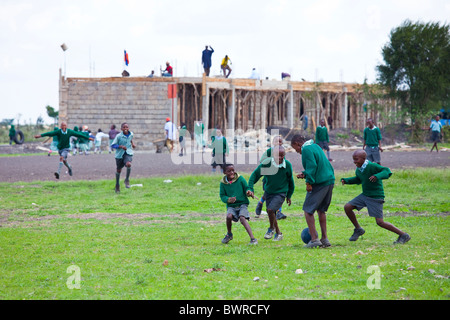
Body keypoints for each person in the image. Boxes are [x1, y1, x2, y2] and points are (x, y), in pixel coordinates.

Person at [341, 150, 411, 244]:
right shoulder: (359, 169)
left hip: (375, 197)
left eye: (356, 159)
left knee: (380, 222)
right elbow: (359, 179)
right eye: (353, 159)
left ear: (363, 159)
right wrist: (346, 181)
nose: (354, 162)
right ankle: (358, 229)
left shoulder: (372, 166)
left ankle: (403, 235)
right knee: (348, 207)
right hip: (365, 195)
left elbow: (387, 171)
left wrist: (377, 176)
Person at [290, 134, 335, 248]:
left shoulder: (306, 149)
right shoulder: (315, 146)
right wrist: (304, 174)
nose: (298, 152)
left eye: (296, 149)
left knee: (308, 210)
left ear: (298, 144)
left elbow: (312, 166)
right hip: (329, 180)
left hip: (320, 183)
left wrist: (308, 182)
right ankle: (324, 239)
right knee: (321, 210)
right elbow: (318, 164)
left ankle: (314, 240)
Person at [246, 146, 295, 242]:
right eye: (277, 156)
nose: (280, 158)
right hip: (268, 192)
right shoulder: (267, 164)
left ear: (284, 155)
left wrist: (289, 195)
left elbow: (291, 182)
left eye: (282, 156)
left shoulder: (287, 165)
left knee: (270, 210)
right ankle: (279, 234)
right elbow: (255, 175)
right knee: (271, 213)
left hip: (281, 193)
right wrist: (250, 188)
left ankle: (271, 229)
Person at [220, 163, 257, 245]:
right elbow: (222, 196)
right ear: (224, 172)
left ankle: (253, 239)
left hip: (242, 204)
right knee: (228, 216)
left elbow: (247, 188)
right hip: (231, 206)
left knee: (242, 218)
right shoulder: (223, 183)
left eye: (233, 170)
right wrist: (229, 199)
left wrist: (249, 192)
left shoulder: (240, 179)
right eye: (229, 171)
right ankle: (229, 234)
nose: (232, 172)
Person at [255, 135, 286, 220]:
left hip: (279, 179)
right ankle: (260, 202)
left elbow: (284, 163)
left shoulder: (282, 152)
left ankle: (279, 212)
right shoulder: (269, 151)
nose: (278, 143)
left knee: (279, 194)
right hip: (269, 178)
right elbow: (262, 160)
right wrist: (271, 161)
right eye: (276, 141)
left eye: (280, 142)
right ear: (273, 143)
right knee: (267, 193)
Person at [111, 122, 136, 193]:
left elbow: (130, 139)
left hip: (128, 152)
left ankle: (127, 180)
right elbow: (113, 145)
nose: (125, 129)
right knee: (119, 170)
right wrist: (121, 146)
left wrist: (133, 144)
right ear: (121, 129)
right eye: (124, 127)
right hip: (119, 155)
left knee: (128, 164)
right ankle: (117, 185)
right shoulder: (118, 136)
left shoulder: (131, 134)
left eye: (127, 127)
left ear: (128, 128)